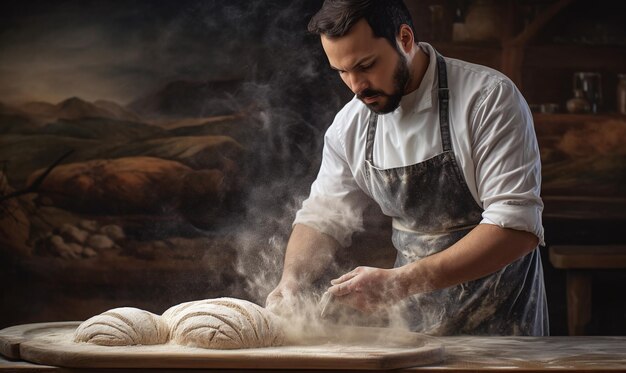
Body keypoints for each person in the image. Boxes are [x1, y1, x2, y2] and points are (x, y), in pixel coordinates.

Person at [266, 0, 548, 336]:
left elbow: (516, 227)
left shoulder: (487, 99)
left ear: (405, 38)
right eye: (342, 72)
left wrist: (400, 282)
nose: (356, 86)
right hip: (415, 335)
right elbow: (323, 217)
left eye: (366, 65)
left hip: (506, 331)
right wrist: (292, 280)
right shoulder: (349, 125)